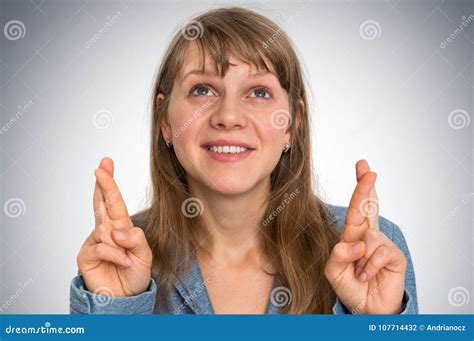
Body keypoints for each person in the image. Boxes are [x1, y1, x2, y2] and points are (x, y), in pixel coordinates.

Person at [70, 7, 418, 314]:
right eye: (202, 90)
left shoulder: (371, 250)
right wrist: (115, 311)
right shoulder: (119, 255)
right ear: (165, 121)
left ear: (292, 125)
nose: (229, 115)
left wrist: (377, 323)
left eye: (259, 92)